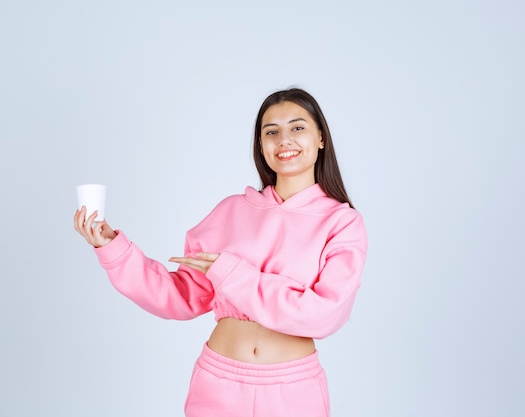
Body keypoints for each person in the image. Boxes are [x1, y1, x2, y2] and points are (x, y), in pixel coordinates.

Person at [73, 87, 368, 417]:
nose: (284, 140)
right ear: (261, 144)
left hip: (293, 391)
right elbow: (181, 295)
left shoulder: (341, 222)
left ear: (321, 138)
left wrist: (234, 275)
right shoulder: (230, 211)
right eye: (271, 132)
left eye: (297, 127)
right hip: (218, 384)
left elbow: (324, 314)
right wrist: (112, 247)